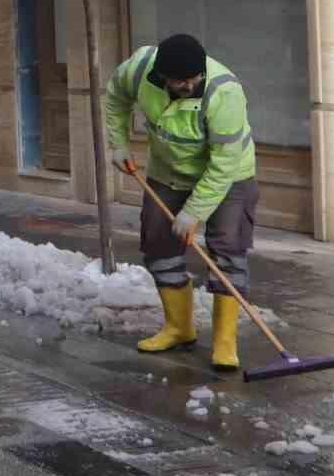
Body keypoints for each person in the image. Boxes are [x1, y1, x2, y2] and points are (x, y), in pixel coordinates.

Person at [106, 33, 258, 374]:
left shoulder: (224, 93)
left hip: (230, 176)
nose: (189, 84)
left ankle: (224, 342)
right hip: (168, 172)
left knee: (227, 250)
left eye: (194, 78)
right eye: (180, 81)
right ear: (162, 77)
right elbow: (115, 97)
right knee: (159, 245)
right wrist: (118, 143)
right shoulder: (138, 70)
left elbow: (224, 164)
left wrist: (194, 213)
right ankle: (179, 328)